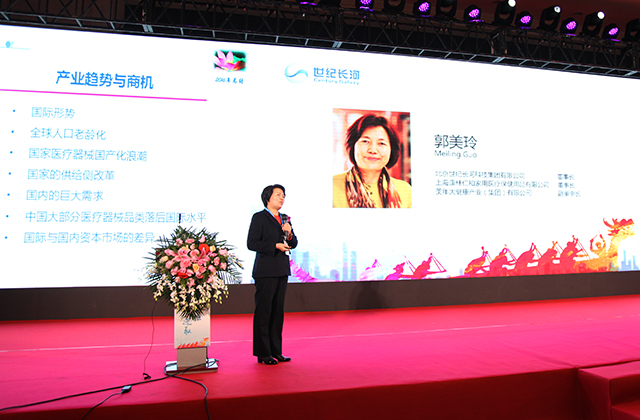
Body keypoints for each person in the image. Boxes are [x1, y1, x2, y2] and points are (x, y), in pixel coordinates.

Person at [247, 184, 298, 365]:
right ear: (267, 198)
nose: (282, 198)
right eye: (278, 195)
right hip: (265, 270)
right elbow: (252, 243)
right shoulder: (259, 217)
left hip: (281, 269)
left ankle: (276, 351)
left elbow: (294, 243)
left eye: (283, 195)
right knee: (264, 311)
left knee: (277, 312)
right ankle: (263, 352)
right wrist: (274, 246)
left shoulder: (284, 219)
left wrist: (289, 234)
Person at [333, 114, 412, 208]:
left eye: (381, 143)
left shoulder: (405, 191)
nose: (373, 150)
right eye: (365, 141)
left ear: (391, 150)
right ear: (353, 146)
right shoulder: (332, 186)